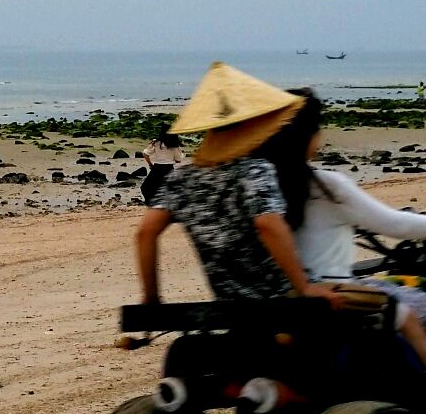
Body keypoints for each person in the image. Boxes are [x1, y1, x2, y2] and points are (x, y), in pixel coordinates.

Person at [266, 91, 426, 414]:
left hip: (282, 300)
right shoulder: (326, 186)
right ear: (310, 136)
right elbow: (395, 225)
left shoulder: (260, 187)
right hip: (333, 295)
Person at [135, 64, 318, 313]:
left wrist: (151, 297)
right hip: (279, 299)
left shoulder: (183, 180)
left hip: (227, 299)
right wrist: (305, 288)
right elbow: (268, 225)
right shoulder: (255, 171)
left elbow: (145, 233)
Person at [139, 132, 182, 203]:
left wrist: (150, 164)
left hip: (157, 168)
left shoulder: (156, 143)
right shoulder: (174, 145)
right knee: (169, 189)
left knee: (146, 187)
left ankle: (151, 203)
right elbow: (178, 160)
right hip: (168, 168)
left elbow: (145, 154)